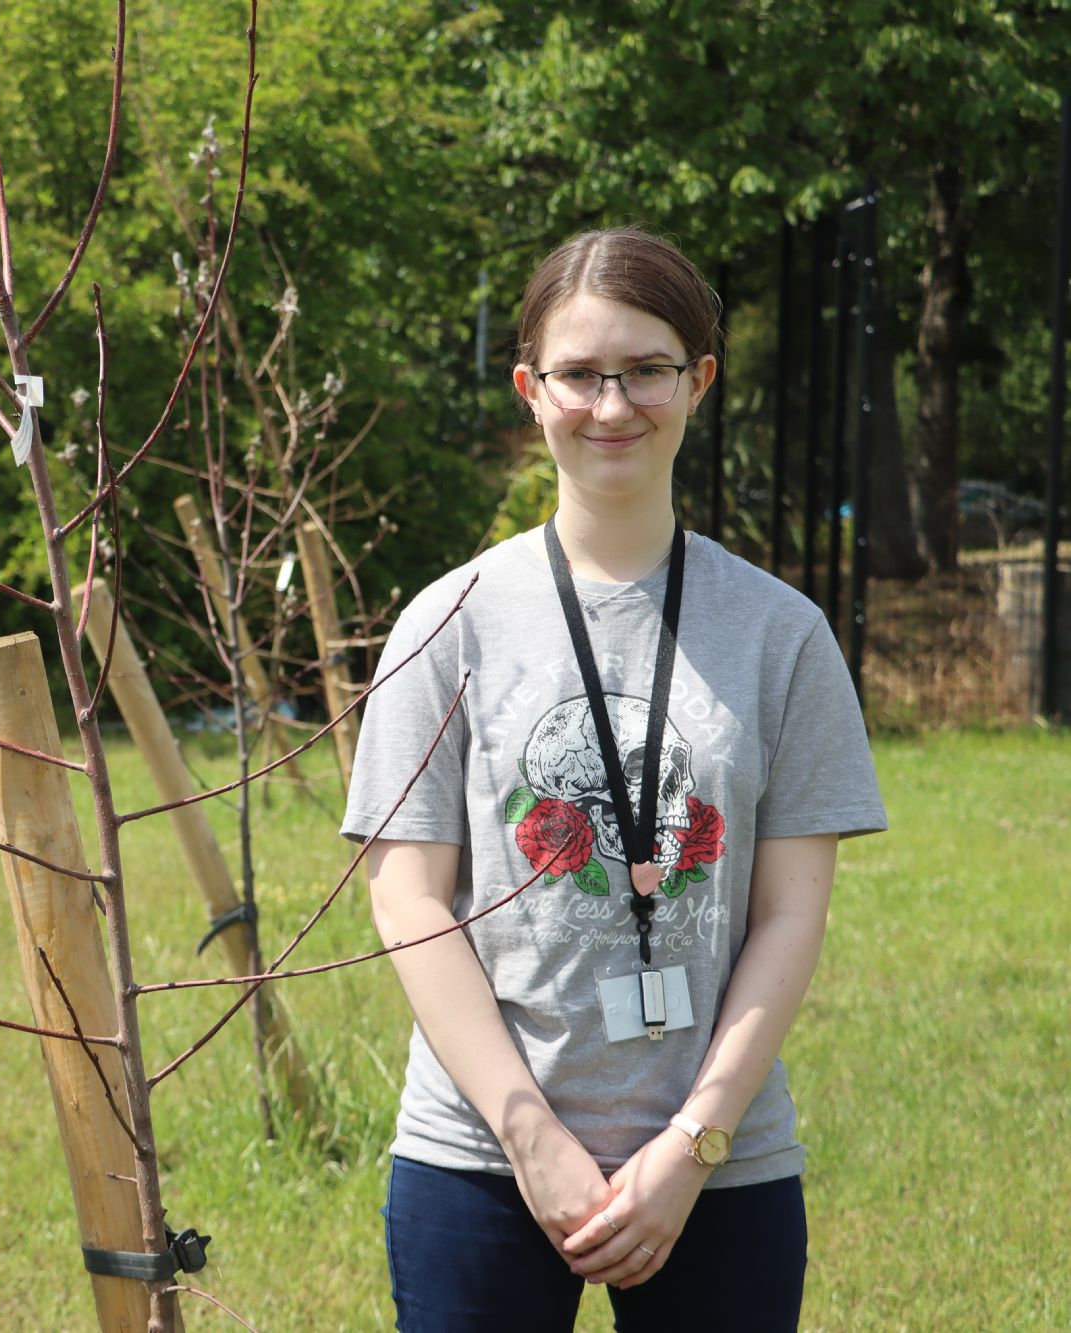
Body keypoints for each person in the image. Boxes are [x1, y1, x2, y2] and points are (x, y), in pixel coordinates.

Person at [343, 228, 886, 1331]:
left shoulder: (783, 636)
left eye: (645, 369)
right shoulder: (444, 624)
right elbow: (406, 897)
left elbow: (788, 915)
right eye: (579, 373)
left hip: (720, 1163)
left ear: (699, 381)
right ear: (528, 390)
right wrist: (531, 1138)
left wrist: (694, 1142)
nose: (612, 405)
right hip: (477, 1161)